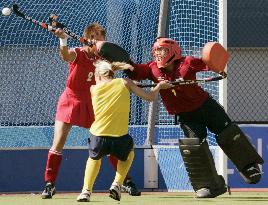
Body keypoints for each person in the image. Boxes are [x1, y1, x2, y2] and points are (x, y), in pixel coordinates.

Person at [123, 37, 264, 198]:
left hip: (206, 106)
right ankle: (210, 186)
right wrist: (124, 61)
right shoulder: (152, 69)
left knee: (228, 133)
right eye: (156, 51)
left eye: (162, 50)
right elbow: (135, 71)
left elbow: (209, 63)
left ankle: (249, 166)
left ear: (174, 51)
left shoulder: (187, 62)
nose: (158, 54)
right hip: (186, 116)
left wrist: (219, 69)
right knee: (195, 147)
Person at [41, 23, 139, 199]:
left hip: (95, 102)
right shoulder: (78, 52)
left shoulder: (105, 59)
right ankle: (49, 184)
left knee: (107, 141)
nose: (96, 40)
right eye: (93, 37)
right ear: (87, 38)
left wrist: (131, 75)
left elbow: (118, 68)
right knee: (58, 143)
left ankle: (124, 181)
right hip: (71, 99)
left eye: (100, 38)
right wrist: (63, 39)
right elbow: (65, 56)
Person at [76, 60, 173, 202]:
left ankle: (86, 191)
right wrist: (158, 86)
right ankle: (117, 183)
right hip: (119, 138)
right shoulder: (125, 82)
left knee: (93, 158)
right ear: (110, 73)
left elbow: (104, 80)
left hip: (98, 135)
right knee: (129, 152)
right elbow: (150, 97)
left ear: (99, 75)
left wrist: (117, 73)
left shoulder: (93, 89)